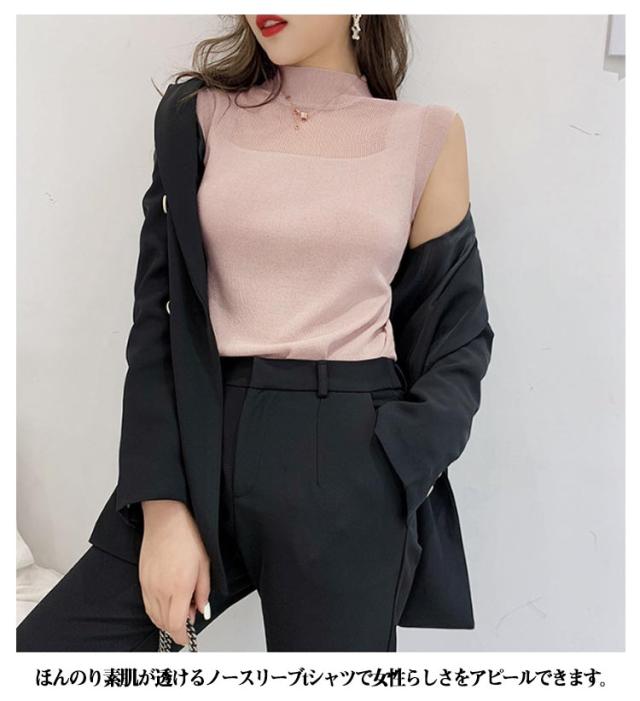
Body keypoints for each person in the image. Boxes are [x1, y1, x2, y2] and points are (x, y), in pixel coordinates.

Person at [17, 14, 490, 652]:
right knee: (44, 657)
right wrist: (162, 506)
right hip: (204, 438)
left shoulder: (426, 134)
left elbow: (457, 334)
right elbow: (157, 318)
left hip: (350, 455)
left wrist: (396, 466)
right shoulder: (197, 116)